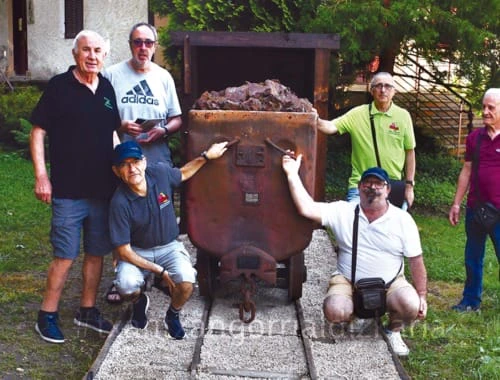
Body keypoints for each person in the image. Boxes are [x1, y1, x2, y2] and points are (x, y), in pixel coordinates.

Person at [281, 157, 428, 356]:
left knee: (410, 304)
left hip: (391, 283)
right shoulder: (343, 211)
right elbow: (306, 208)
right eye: (367, 183)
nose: (372, 187)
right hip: (349, 280)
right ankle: (357, 314)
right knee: (334, 310)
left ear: (388, 190)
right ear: (359, 188)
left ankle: (393, 331)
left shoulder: (402, 220)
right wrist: (291, 173)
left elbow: (416, 261)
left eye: (378, 184)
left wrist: (421, 295)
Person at [30, 30, 121, 344]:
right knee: (65, 256)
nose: (92, 56)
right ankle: (47, 315)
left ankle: (87, 309)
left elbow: (112, 134)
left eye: (97, 50)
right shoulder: (59, 87)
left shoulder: (107, 88)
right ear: (75, 54)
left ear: (104, 55)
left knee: (96, 253)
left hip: (102, 190)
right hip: (68, 190)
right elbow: (38, 132)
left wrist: (125, 165)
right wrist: (42, 176)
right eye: (86, 50)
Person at [109, 140, 228, 339]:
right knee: (125, 286)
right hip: (136, 251)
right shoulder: (119, 202)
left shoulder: (160, 174)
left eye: (136, 162)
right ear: (116, 171)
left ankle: (173, 314)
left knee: (187, 279)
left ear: (144, 162)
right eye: (124, 164)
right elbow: (124, 252)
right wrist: (160, 272)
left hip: (169, 246)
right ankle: (139, 302)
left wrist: (207, 156)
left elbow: (184, 173)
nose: (132, 169)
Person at [316, 72, 416, 207]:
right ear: (371, 90)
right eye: (378, 86)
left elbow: (410, 152)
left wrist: (409, 187)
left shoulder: (403, 116)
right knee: (357, 225)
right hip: (362, 185)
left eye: (387, 86)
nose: (383, 90)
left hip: (391, 187)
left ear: (394, 91)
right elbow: (330, 127)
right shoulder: (357, 114)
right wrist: (313, 118)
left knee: (392, 227)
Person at [448, 88, 500, 312]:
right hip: (475, 209)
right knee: (472, 258)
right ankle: (470, 301)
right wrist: (456, 203)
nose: (485, 111)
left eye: (491, 107)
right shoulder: (474, 138)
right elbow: (466, 171)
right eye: (484, 106)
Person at [103, 22, 182, 166]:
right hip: (122, 161)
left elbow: (176, 119)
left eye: (148, 43)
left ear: (155, 46)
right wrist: (121, 125)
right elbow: (100, 117)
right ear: (130, 45)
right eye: (138, 42)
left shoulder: (164, 77)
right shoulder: (111, 75)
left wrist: (163, 130)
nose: (143, 48)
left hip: (157, 161)